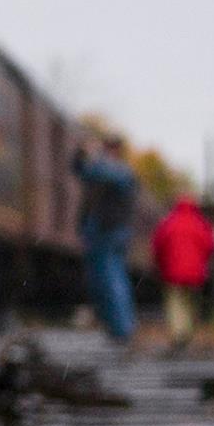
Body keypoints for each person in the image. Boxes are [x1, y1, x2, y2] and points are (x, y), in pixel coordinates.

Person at [73, 135, 139, 342]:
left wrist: (94, 155)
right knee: (103, 281)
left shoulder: (120, 171)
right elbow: (81, 170)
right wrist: (81, 154)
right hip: (103, 231)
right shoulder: (112, 170)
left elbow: (93, 172)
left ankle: (122, 329)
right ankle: (117, 327)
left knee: (111, 279)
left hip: (110, 232)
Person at [151, 196, 214, 348]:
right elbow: (210, 246)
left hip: (172, 271)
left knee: (175, 302)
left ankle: (179, 331)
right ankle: (187, 330)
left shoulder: (168, 223)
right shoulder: (201, 223)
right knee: (191, 302)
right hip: (196, 272)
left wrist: (160, 265)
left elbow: (158, 246)